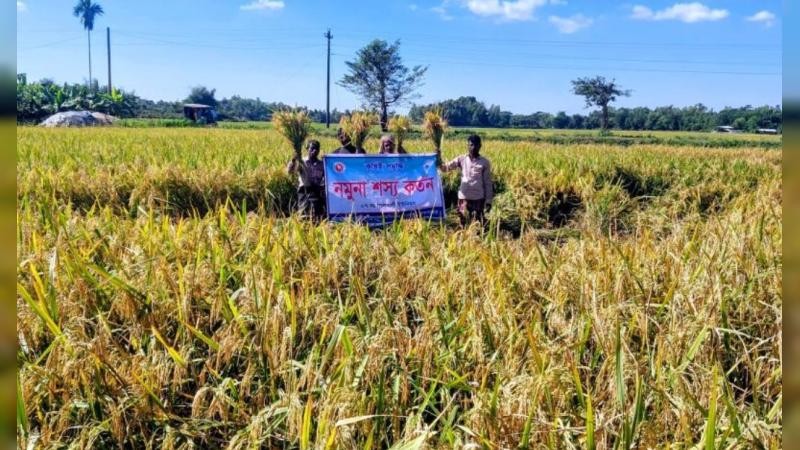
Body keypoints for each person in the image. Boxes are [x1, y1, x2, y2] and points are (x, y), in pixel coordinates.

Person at [437, 134, 493, 225]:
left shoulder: (484, 162)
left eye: (476, 145)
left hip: (478, 199)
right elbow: (445, 168)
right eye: (471, 145)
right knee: (463, 223)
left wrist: (488, 201)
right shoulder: (461, 159)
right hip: (463, 198)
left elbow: (487, 183)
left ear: (480, 146)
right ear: (467, 145)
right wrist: (438, 159)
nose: (473, 147)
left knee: (477, 225)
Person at [287, 139, 326, 221]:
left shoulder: (322, 164)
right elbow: (290, 171)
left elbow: (326, 178)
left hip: (316, 192)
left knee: (317, 217)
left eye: (316, 149)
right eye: (312, 148)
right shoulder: (302, 162)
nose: (314, 151)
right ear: (307, 149)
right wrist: (293, 160)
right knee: (304, 215)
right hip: (304, 191)